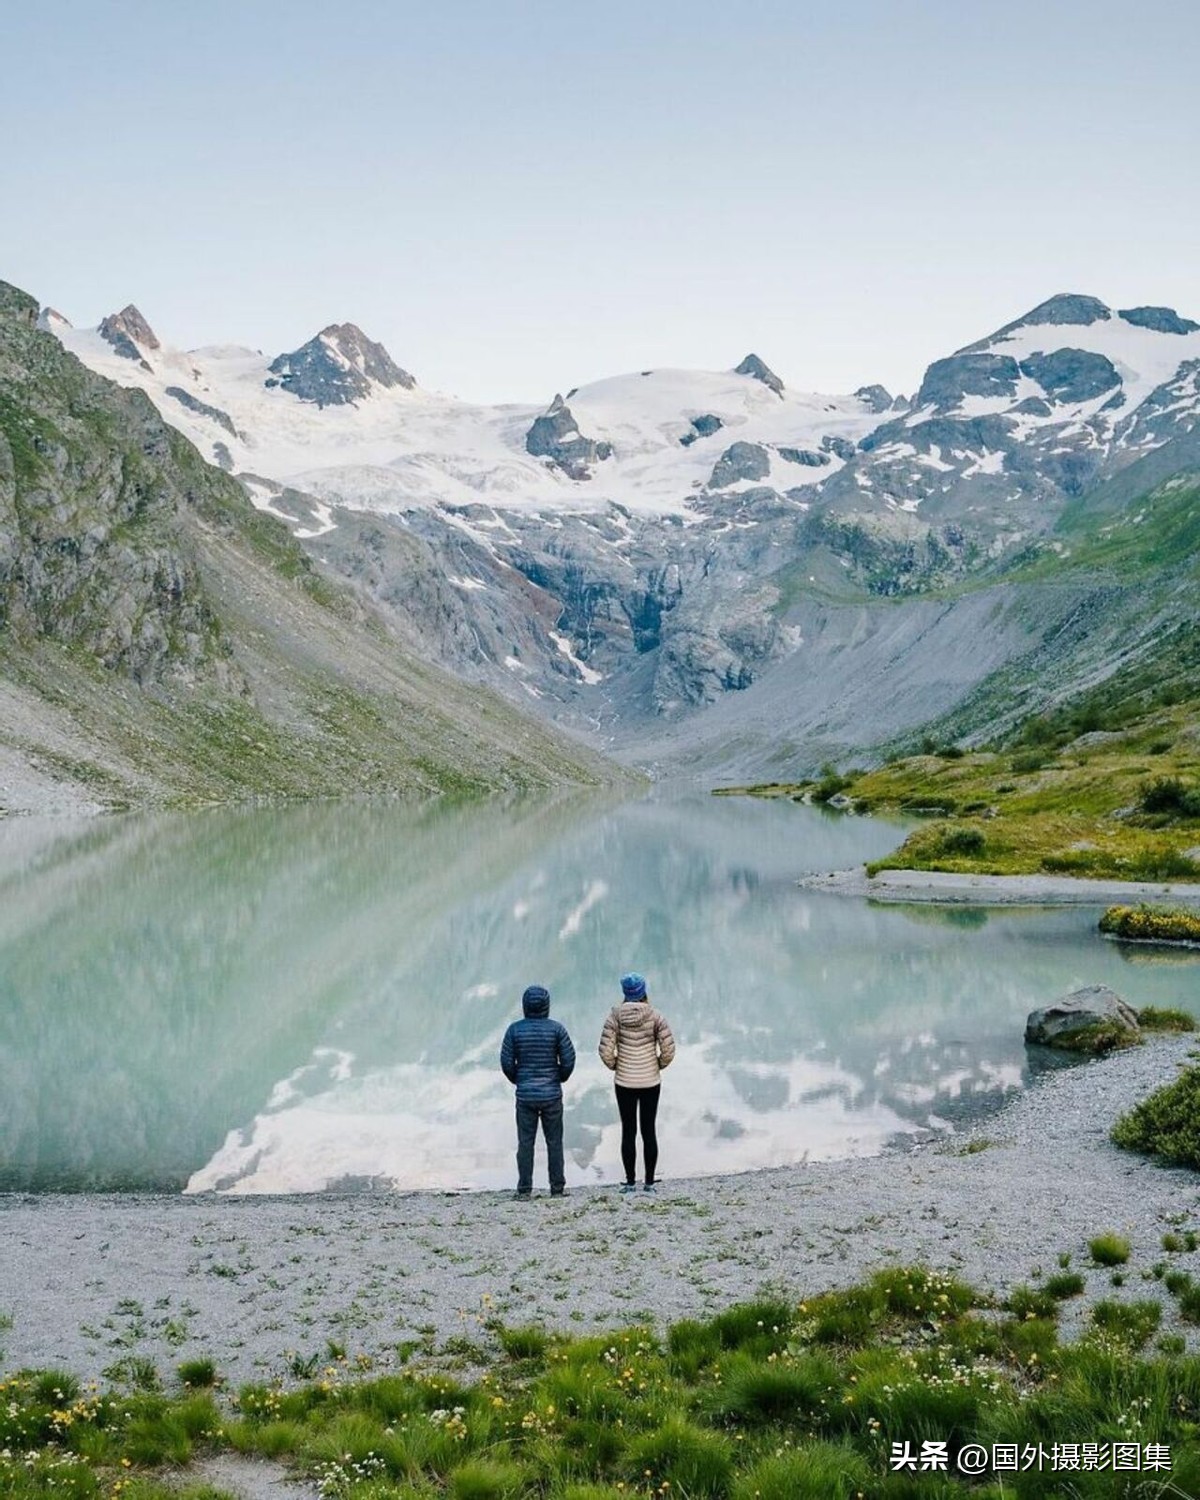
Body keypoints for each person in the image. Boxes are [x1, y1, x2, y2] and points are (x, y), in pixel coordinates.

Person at [598, 972, 676, 1193]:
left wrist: (616, 1065)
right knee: (648, 1130)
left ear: (626, 993)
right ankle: (649, 1182)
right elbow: (669, 1048)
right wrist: (658, 1064)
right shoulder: (656, 1015)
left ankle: (630, 1182)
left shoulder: (615, 1016)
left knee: (628, 1130)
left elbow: (605, 1050)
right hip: (651, 1081)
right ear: (643, 992)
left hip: (624, 1082)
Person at [500, 983, 576, 1199]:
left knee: (525, 1143)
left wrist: (519, 1079)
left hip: (525, 1096)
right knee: (554, 1142)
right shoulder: (557, 1029)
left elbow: (506, 1062)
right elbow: (569, 1060)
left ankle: (524, 1190)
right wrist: (559, 1077)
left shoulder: (514, 1030)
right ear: (546, 1006)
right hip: (552, 1094)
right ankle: (557, 1188)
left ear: (524, 1006)